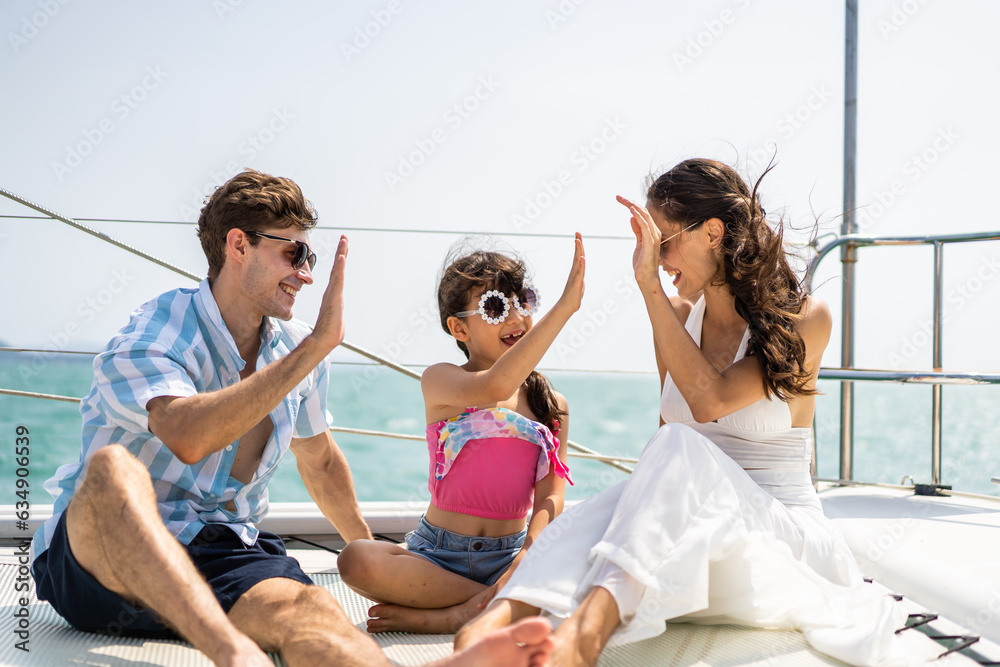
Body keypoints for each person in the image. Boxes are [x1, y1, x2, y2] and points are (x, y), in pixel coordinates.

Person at [29, 169, 554, 667]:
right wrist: (316, 348)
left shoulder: (295, 344)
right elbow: (187, 435)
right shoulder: (158, 331)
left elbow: (320, 462)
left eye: (311, 256)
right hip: (101, 564)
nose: (306, 274)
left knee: (314, 615)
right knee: (112, 471)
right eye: (293, 253)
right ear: (239, 246)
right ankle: (232, 652)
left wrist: (367, 550)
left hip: (221, 551)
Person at [456, 159, 907, 667]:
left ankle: (585, 635)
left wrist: (648, 284)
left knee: (676, 446)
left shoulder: (805, 318)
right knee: (612, 499)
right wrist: (657, 296)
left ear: (713, 233)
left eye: (663, 239)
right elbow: (668, 437)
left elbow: (708, 402)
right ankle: (487, 623)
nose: (655, 256)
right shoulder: (676, 317)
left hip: (776, 546)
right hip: (694, 553)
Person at [338, 236, 585, 635]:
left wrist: (528, 555)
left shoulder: (550, 405)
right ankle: (497, 602)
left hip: (512, 554)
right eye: (495, 307)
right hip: (439, 556)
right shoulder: (442, 381)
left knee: (587, 561)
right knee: (356, 560)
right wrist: (564, 309)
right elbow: (494, 387)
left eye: (523, 301)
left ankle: (454, 614)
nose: (516, 317)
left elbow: (552, 496)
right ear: (458, 327)